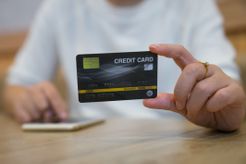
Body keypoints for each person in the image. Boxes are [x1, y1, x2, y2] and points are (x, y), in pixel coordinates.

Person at [3, 0, 245, 131]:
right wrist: (25, 99)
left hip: (180, 145)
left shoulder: (194, 5)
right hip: (85, 147)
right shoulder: (60, 6)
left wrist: (221, 99)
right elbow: (15, 87)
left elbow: (225, 86)